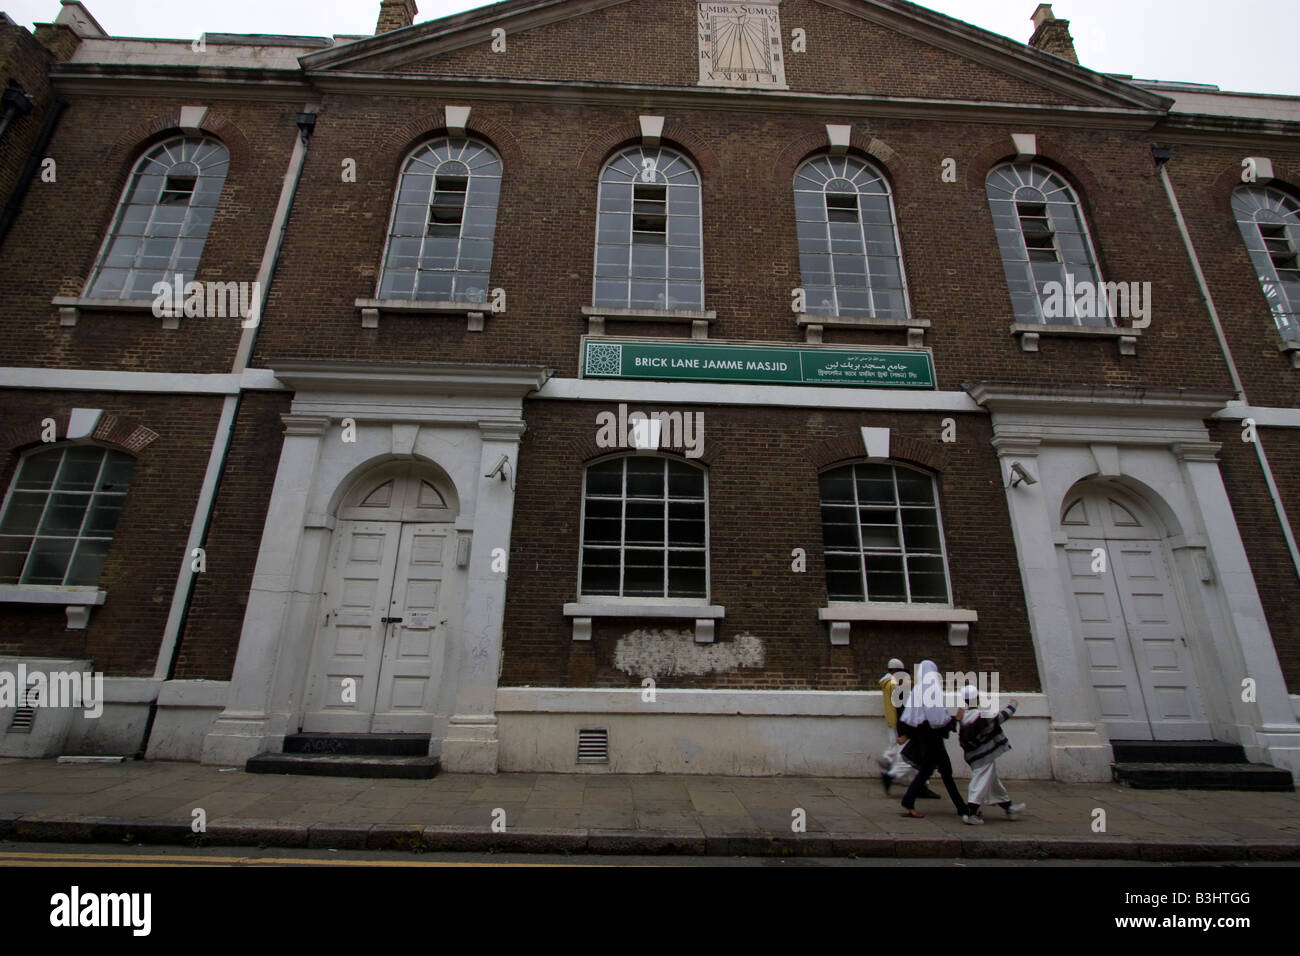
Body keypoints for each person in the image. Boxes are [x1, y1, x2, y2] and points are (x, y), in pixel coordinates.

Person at [897, 659, 973, 821]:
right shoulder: (931, 690)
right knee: (945, 772)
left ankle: (909, 801)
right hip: (934, 738)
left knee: (929, 771)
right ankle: (963, 808)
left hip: (925, 737)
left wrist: (905, 734)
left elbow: (912, 716)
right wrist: (955, 720)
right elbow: (937, 719)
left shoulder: (917, 690)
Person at [957, 684, 1026, 823]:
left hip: (974, 756)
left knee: (993, 784)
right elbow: (1000, 718)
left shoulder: (964, 716)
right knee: (979, 782)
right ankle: (971, 813)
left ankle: (1009, 809)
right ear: (976, 699)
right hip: (983, 756)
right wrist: (1013, 705)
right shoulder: (980, 716)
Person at [876, 658, 940, 798]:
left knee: (915, 760)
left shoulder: (907, 689)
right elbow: (908, 711)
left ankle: (917, 785)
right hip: (918, 731)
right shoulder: (907, 690)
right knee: (913, 759)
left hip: (908, 728)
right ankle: (897, 778)